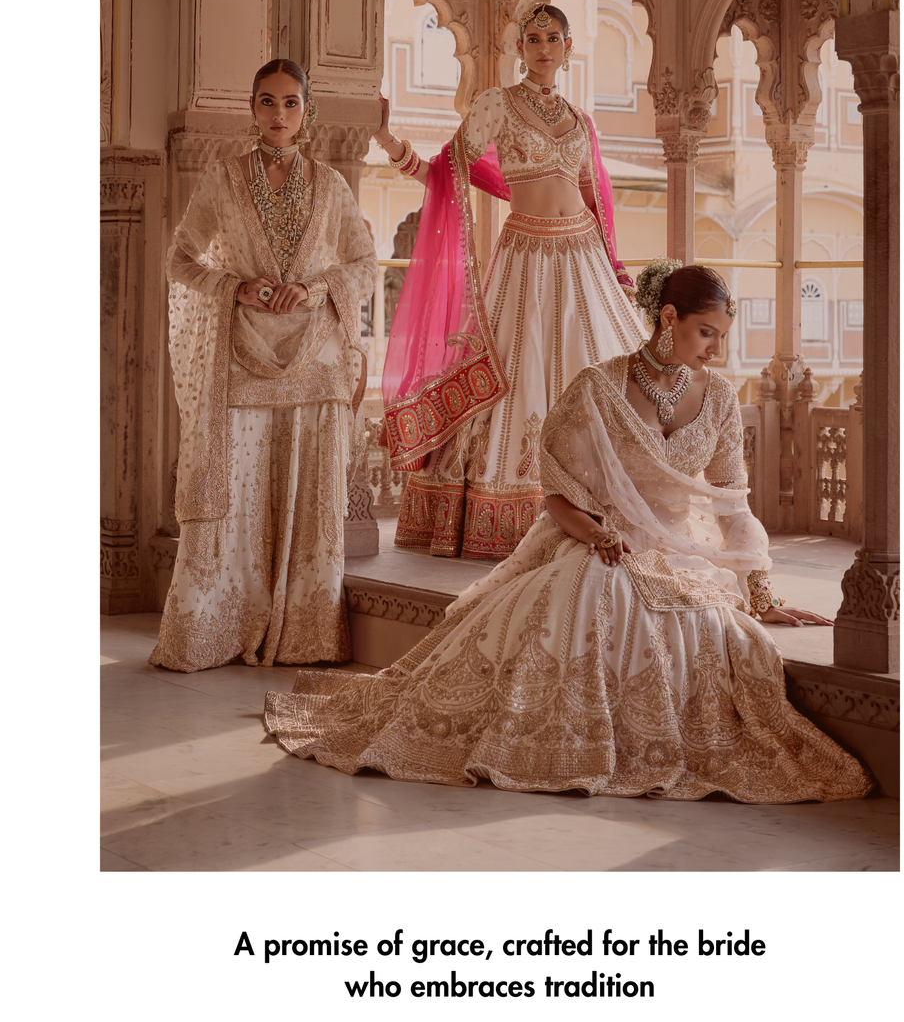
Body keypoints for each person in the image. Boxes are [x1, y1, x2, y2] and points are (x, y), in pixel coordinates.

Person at [263, 261, 871, 802]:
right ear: (668, 318)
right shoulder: (598, 389)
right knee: (600, 589)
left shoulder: (719, 401)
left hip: (675, 555)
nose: (717, 349)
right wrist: (598, 535)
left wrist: (760, 592)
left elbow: (732, 504)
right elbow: (555, 494)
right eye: (706, 333)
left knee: (722, 632)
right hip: (592, 541)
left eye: (722, 335)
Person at [374, 1, 646, 562]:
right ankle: (515, 510)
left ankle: (605, 509)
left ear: (568, 48)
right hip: (525, 260)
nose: (544, 47)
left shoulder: (581, 121)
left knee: (598, 371)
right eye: (533, 38)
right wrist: (389, 142)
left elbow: (596, 199)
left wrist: (616, 269)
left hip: (584, 262)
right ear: (520, 49)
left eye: (553, 37)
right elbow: (446, 172)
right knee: (517, 373)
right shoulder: (496, 105)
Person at [150, 59, 378, 673]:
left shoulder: (331, 185)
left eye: (291, 102)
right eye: (268, 102)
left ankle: (303, 630)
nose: (280, 114)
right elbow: (180, 259)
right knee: (236, 488)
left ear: (308, 110)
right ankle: (216, 625)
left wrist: (314, 288)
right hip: (242, 355)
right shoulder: (222, 179)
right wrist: (235, 287)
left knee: (309, 491)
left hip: (316, 357)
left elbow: (363, 264)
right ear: (252, 108)